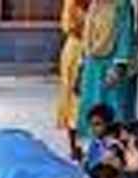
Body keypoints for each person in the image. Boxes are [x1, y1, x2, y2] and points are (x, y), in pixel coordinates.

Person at [77, 0, 138, 138]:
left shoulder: (122, 6)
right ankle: (95, 143)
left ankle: (116, 144)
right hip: (93, 67)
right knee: (93, 107)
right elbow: (87, 37)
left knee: (114, 109)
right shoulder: (95, 5)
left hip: (112, 67)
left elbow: (126, 36)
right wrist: (82, 66)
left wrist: (119, 65)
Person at [56, 0, 90, 160]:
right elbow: (70, 27)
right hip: (76, 52)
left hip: (95, 53)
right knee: (73, 98)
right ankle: (74, 147)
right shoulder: (72, 3)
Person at [83, 103, 117, 172]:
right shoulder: (93, 143)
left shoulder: (115, 144)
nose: (93, 129)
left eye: (97, 124)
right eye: (91, 125)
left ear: (108, 123)